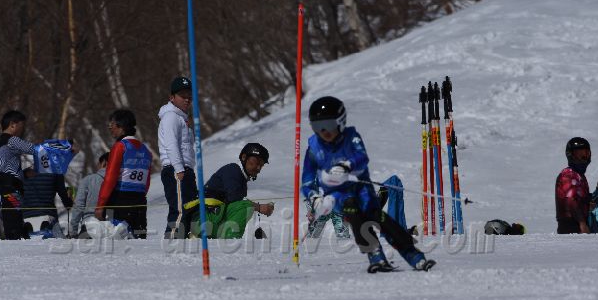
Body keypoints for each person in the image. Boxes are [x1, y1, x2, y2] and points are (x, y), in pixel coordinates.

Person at [301, 96, 435, 273]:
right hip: (337, 195)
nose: (324, 131)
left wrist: (347, 166)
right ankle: (375, 255)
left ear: (340, 121)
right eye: (318, 126)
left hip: (360, 189)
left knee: (376, 217)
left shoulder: (351, 137)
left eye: (329, 125)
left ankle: (413, 254)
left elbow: (362, 157)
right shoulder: (313, 148)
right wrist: (314, 198)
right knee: (354, 213)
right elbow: (307, 181)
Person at [186, 143, 274, 239]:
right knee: (246, 206)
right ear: (244, 157)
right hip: (202, 219)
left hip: (212, 220)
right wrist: (259, 207)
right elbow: (235, 198)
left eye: (261, 165)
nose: (258, 168)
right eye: (256, 162)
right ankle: (231, 241)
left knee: (244, 205)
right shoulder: (233, 170)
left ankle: (217, 238)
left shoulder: (240, 177)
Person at [95, 110, 153, 239]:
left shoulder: (120, 146)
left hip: (120, 199)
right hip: (140, 200)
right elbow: (146, 182)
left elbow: (110, 178)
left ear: (121, 126)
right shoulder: (146, 150)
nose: (110, 128)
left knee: (119, 241)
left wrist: (100, 205)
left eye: (112, 124)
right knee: (139, 240)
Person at [159, 76, 197, 238]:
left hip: (185, 169)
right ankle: (172, 240)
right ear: (172, 97)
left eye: (189, 95)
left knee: (189, 209)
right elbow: (171, 144)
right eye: (182, 95)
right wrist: (179, 168)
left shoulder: (182, 118)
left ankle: (183, 240)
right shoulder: (171, 117)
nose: (187, 99)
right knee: (180, 210)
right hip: (176, 169)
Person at [0, 110, 38, 240]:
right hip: (10, 194)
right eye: (21, 125)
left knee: (16, 234)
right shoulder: (12, 141)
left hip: (2, 194)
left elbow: (4, 171)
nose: (23, 129)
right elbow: (36, 149)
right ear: (13, 124)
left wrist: (24, 174)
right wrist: (66, 146)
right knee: (16, 237)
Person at [555, 137, 592, 234]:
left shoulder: (579, 175)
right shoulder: (568, 174)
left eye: (585, 154)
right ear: (570, 155)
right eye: (578, 155)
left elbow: (580, 198)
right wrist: (582, 223)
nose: (582, 159)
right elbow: (571, 200)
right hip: (571, 223)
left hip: (579, 221)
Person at [22, 170, 74, 237]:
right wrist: (69, 202)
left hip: (25, 217)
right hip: (48, 216)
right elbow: (63, 193)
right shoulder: (55, 170)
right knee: (59, 240)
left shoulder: (19, 170)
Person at [70, 152, 108, 238]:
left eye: (99, 163)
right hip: (111, 228)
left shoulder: (88, 180)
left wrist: (73, 231)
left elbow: (79, 206)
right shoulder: (120, 183)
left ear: (104, 163)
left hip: (89, 226)